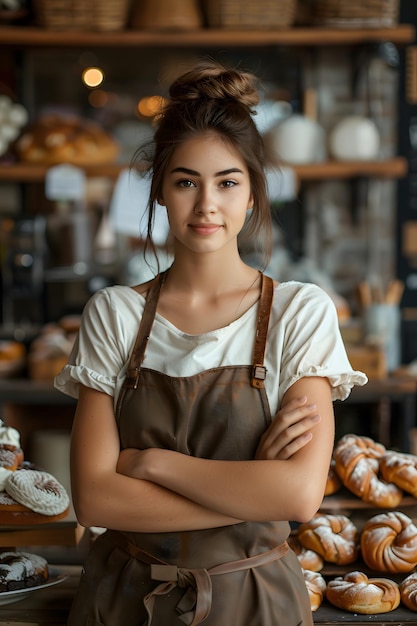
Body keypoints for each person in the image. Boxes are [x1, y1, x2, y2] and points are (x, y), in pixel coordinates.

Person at [55, 59, 367, 626]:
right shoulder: (115, 314)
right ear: (158, 192)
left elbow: (297, 496)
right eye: (185, 182)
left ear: (251, 193)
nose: (206, 206)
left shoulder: (300, 312)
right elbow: (97, 500)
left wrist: (151, 462)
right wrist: (249, 485)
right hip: (124, 600)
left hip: (255, 600)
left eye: (227, 182)